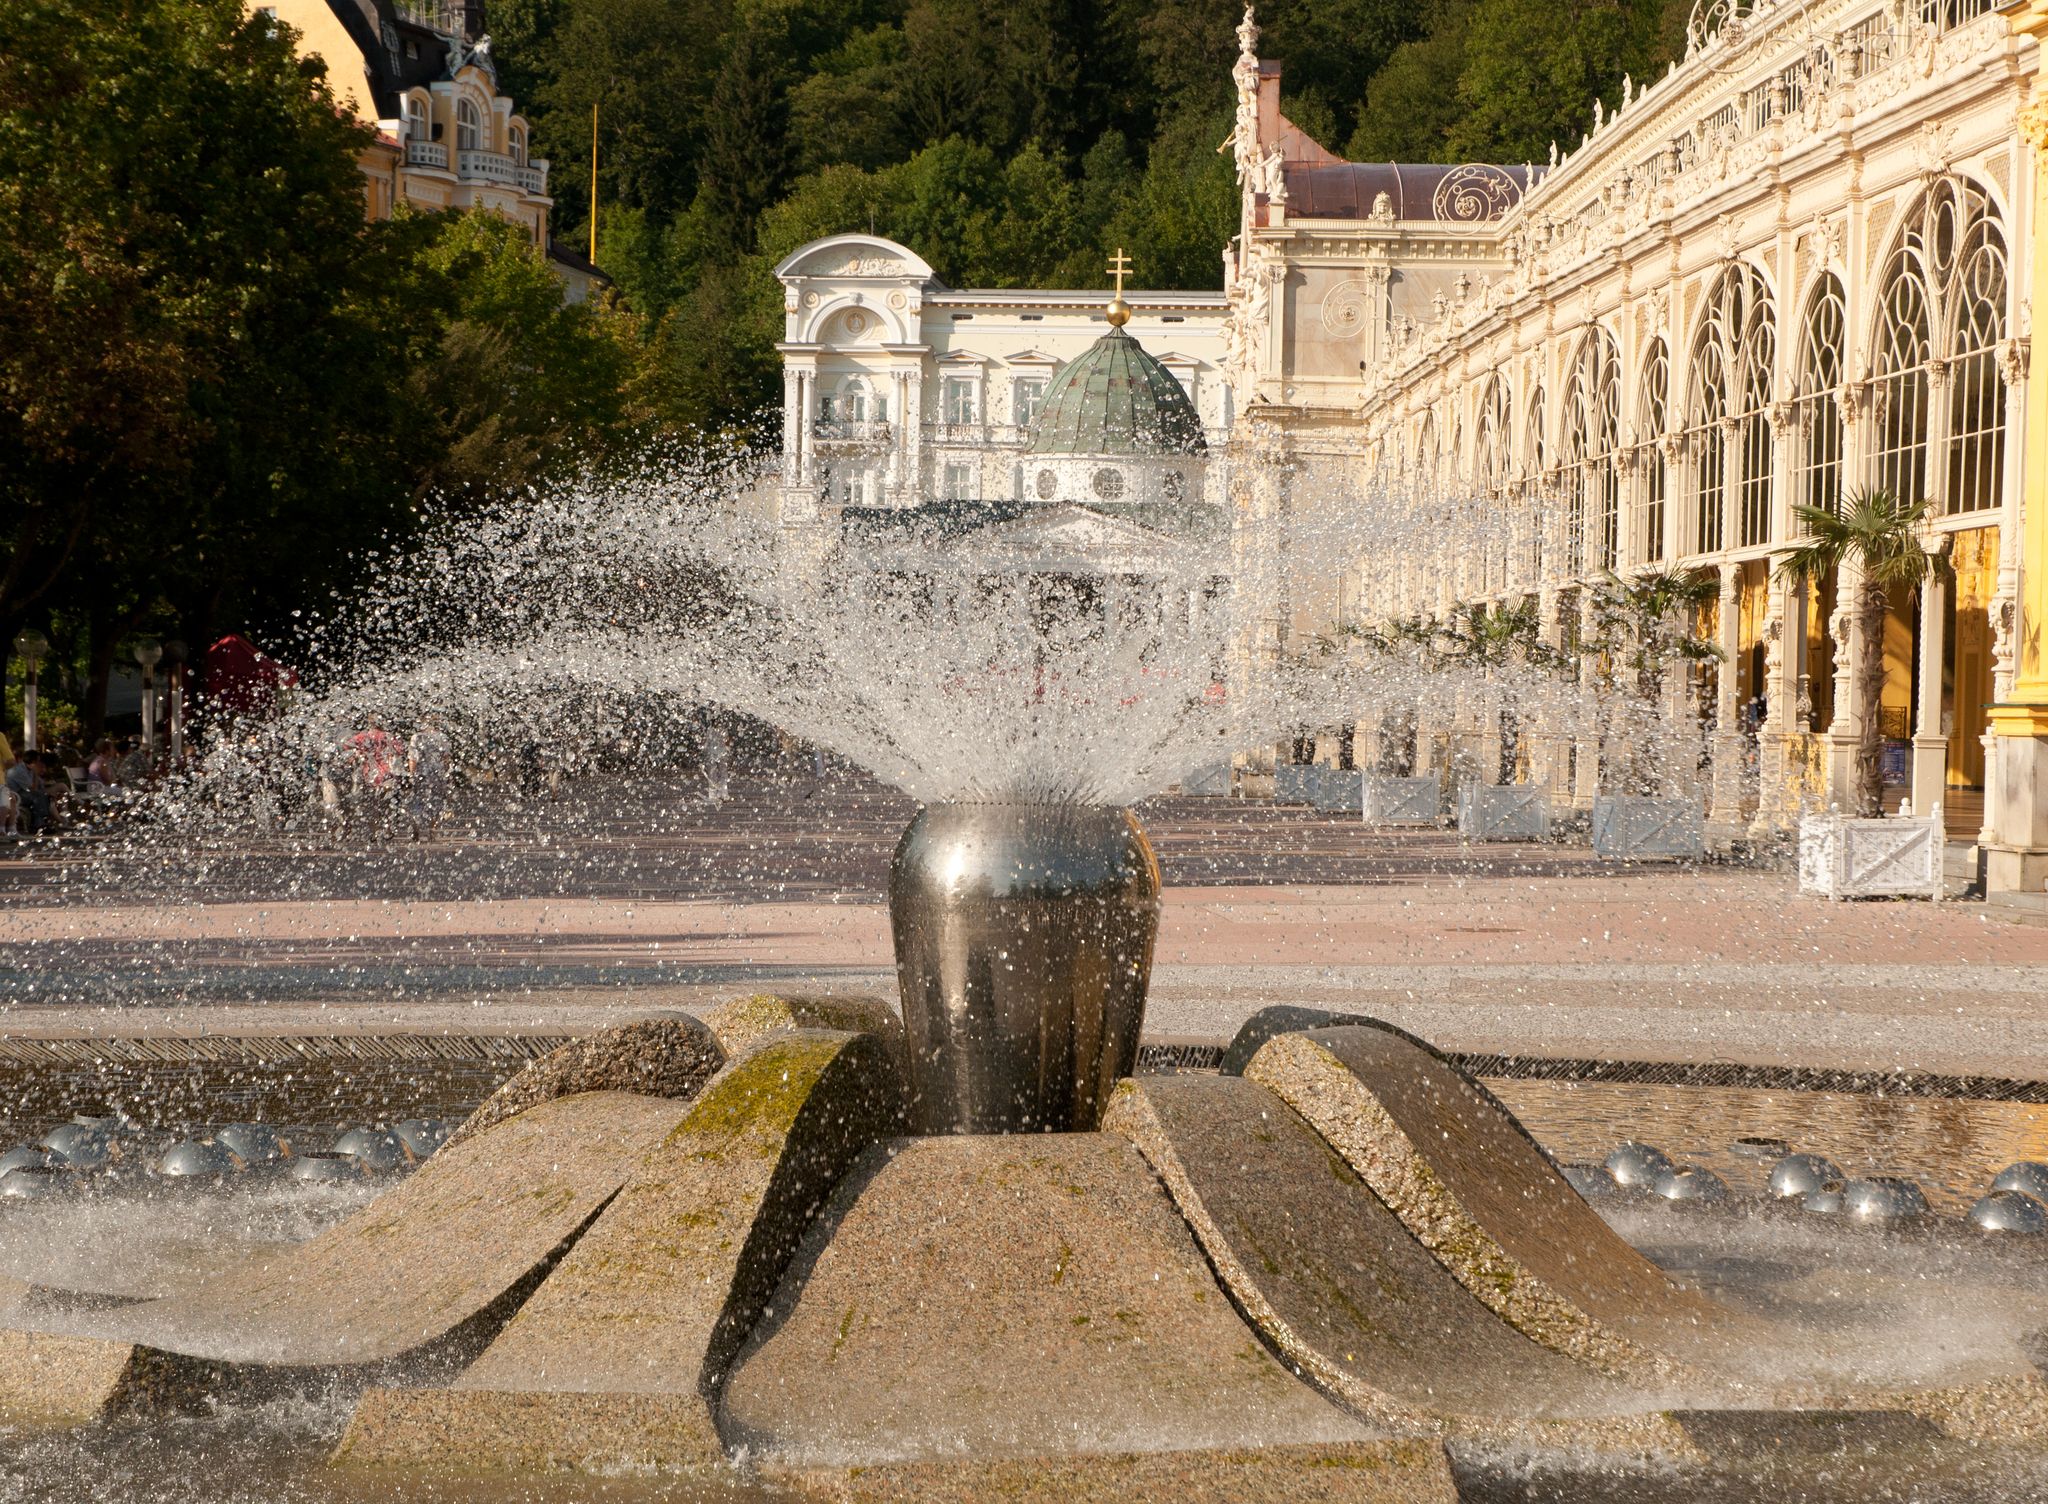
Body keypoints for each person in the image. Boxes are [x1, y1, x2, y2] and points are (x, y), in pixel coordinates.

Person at [407, 718, 452, 838]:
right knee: (437, 800)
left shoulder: (416, 737)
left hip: (421, 774)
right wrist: (446, 772)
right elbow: (446, 758)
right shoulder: (442, 737)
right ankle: (432, 829)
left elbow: (413, 758)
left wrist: (412, 775)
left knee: (418, 799)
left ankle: (416, 826)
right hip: (437, 774)